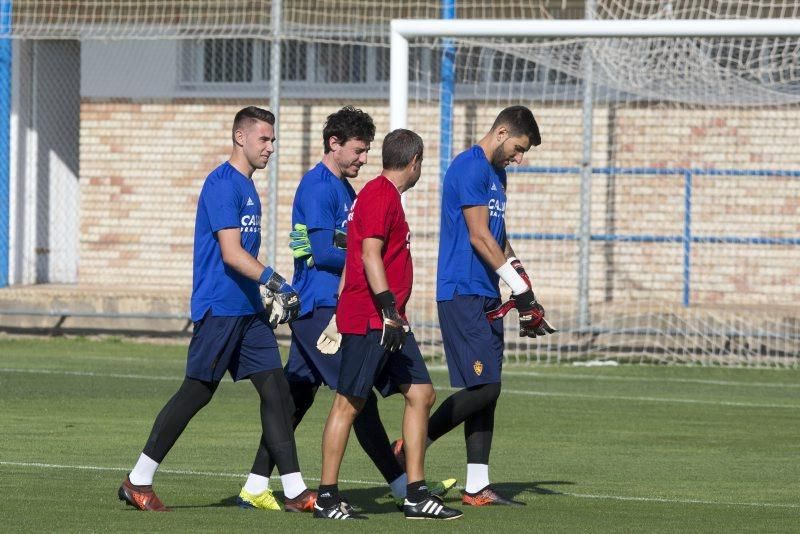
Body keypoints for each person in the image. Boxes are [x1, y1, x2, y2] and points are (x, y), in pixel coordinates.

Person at [237, 107, 454, 512]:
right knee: (357, 401)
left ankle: (254, 484)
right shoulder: (319, 187)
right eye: (358, 150)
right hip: (320, 306)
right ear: (334, 144)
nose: (363, 159)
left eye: (368, 151)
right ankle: (402, 484)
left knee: (295, 399)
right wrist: (370, 256)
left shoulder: (349, 190)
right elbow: (323, 252)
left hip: (331, 304)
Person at [117, 106, 314, 512]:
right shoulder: (223, 185)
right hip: (220, 309)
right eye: (264, 139)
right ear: (240, 137)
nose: (271, 147)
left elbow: (243, 260)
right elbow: (231, 254)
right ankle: (138, 480)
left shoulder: (247, 186)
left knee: (277, 392)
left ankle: (292, 490)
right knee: (197, 392)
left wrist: (263, 296)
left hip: (247, 314)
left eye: (273, 140)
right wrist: (276, 283)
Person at [394, 105, 556, 507]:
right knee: (485, 387)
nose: (519, 158)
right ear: (501, 132)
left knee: (488, 390)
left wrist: (522, 281)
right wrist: (520, 291)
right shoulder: (469, 167)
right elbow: (478, 236)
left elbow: (499, 239)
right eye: (518, 148)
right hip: (462, 291)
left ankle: (477, 486)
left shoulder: (497, 175)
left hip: (486, 293)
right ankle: (412, 444)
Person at [312, 129, 462, 521]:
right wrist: (387, 309)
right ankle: (327, 497)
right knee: (349, 403)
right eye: (421, 165)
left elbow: (352, 260)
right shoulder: (380, 194)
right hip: (374, 318)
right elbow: (369, 254)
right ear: (414, 162)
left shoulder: (385, 196)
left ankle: (415, 494)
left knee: (422, 394)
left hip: (388, 319)